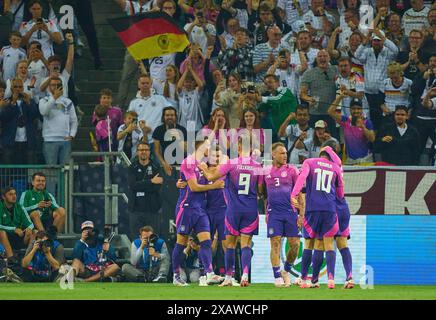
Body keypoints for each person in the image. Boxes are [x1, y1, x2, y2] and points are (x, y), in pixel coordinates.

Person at [199, 137, 264, 287]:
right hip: (250, 209)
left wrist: (203, 167)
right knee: (246, 243)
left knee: (230, 244)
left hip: (233, 209)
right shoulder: (257, 166)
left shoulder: (231, 163)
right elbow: (260, 190)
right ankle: (245, 276)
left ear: (238, 148)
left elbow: (210, 177)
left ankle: (228, 277)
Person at [171, 140, 224, 286]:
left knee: (206, 241)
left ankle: (209, 273)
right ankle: (176, 275)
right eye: (207, 148)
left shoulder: (203, 166)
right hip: (187, 208)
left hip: (201, 210)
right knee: (181, 243)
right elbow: (194, 187)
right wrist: (214, 186)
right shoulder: (188, 162)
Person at [291, 146, 345, 289]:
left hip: (312, 209)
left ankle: (303, 280)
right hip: (329, 210)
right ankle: (330, 280)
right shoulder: (335, 167)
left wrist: (293, 194)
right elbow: (341, 193)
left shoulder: (310, 162)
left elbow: (302, 178)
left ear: (319, 155)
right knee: (327, 244)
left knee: (309, 244)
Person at [263, 142, 303, 287]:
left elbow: (300, 194)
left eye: (286, 153)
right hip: (274, 214)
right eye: (281, 153)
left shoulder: (292, 170)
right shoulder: (266, 172)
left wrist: (301, 215)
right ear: (273, 154)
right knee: (275, 243)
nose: (285, 155)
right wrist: (267, 211)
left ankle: (286, 270)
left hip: (290, 212)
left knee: (295, 245)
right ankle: (277, 276)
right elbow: (263, 194)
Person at [321, 141, 354, 289]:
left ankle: (331, 279)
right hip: (343, 207)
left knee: (328, 243)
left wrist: (325, 147)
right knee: (343, 244)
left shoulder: (324, 168)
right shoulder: (338, 168)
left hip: (330, 208)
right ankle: (349, 277)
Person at [355, 29, 399, 131]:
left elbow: (396, 50)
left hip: (382, 93)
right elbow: (357, 55)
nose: (376, 42)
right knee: (369, 119)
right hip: (368, 93)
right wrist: (365, 41)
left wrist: (383, 37)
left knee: (382, 120)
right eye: (375, 40)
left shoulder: (389, 53)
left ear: (383, 41)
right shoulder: (367, 51)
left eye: (379, 40)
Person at [0, 77, 40, 165]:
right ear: (11, 89)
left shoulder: (29, 101)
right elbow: (3, 118)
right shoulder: (6, 101)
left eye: (20, 87)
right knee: (9, 169)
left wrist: (29, 103)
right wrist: (13, 103)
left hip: (27, 140)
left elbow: (35, 115)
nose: (18, 89)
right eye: (15, 87)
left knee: (28, 167)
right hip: (10, 141)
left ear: (23, 88)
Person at [127, 142, 163, 240]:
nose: (143, 152)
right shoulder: (132, 167)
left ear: (149, 152)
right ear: (137, 152)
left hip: (152, 210)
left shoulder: (156, 167)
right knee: (136, 240)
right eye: (141, 150)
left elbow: (157, 187)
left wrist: (140, 184)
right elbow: (133, 185)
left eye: (146, 150)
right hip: (136, 210)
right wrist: (151, 181)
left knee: (154, 239)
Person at [38, 76, 77, 165]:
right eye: (53, 85)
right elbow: (43, 111)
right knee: (52, 169)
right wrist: (54, 98)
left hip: (65, 140)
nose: (55, 87)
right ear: (49, 87)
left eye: (58, 85)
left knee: (65, 169)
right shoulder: (44, 100)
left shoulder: (68, 101)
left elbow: (74, 120)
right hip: (49, 140)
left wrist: (72, 135)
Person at [300, 49, 339, 137]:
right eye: (320, 56)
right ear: (316, 59)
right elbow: (302, 94)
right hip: (315, 113)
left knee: (332, 140)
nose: (322, 58)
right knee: (314, 139)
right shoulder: (309, 73)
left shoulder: (336, 69)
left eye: (325, 56)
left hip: (332, 113)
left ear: (329, 58)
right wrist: (309, 99)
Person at [328, 97, 375, 164]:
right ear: (350, 109)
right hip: (350, 161)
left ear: (362, 109)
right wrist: (340, 97)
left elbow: (372, 139)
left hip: (365, 160)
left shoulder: (367, 122)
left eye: (358, 108)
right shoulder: (345, 120)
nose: (356, 111)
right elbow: (330, 112)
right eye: (353, 109)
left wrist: (363, 128)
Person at [127, 74, 168, 145]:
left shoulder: (161, 99)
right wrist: (141, 133)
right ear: (138, 85)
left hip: (158, 139)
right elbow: (130, 123)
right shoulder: (133, 103)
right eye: (143, 83)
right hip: (141, 140)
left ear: (151, 84)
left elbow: (171, 113)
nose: (145, 85)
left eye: (147, 83)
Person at [0, 187, 35, 260]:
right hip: (5, 237)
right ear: (3, 197)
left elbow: (30, 224)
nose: (14, 196)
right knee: (1, 232)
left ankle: (27, 259)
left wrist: (29, 229)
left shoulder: (20, 206)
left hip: (19, 235)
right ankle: (11, 259)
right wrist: (14, 229)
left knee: (33, 232)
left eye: (15, 194)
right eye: (10, 194)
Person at [152, 107, 187, 177]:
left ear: (175, 117)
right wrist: (164, 163)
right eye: (167, 115)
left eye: (172, 115)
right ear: (163, 117)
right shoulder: (158, 130)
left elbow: (186, 149)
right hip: (166, 163)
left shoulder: (182, 129)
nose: (170, 117)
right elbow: (156, 150)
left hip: (181, 163)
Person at [38, 32, 74, 99]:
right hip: (50, 105)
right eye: (53, 64)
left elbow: (70, 60)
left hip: (63, 103)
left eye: (58, 64)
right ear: (48, 66)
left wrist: (71, 42)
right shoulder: (44, 79)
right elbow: (41, 89)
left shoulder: (64, 76)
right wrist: (51, 78)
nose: (56, 66)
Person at [91, 89, 123, 153]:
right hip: (101, 142)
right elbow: (96, 125)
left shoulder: (117, 111)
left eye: (108, 98)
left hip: (114, 141)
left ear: (111, 99)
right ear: (100, 99)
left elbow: (121, 125)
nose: (106, 100)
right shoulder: (96, 111)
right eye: (104, 98)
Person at [177, 61, 205, 131]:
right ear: (184, 83)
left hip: (195, 124)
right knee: (185, 142)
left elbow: (201, 85)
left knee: (193, 142)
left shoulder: (196, 92)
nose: (188, 84)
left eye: (191, 82)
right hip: (183, 124)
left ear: (194, 82)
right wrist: (186, 70)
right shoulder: (182, 93)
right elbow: (179, 87)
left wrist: (191, 70)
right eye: (186, 82)